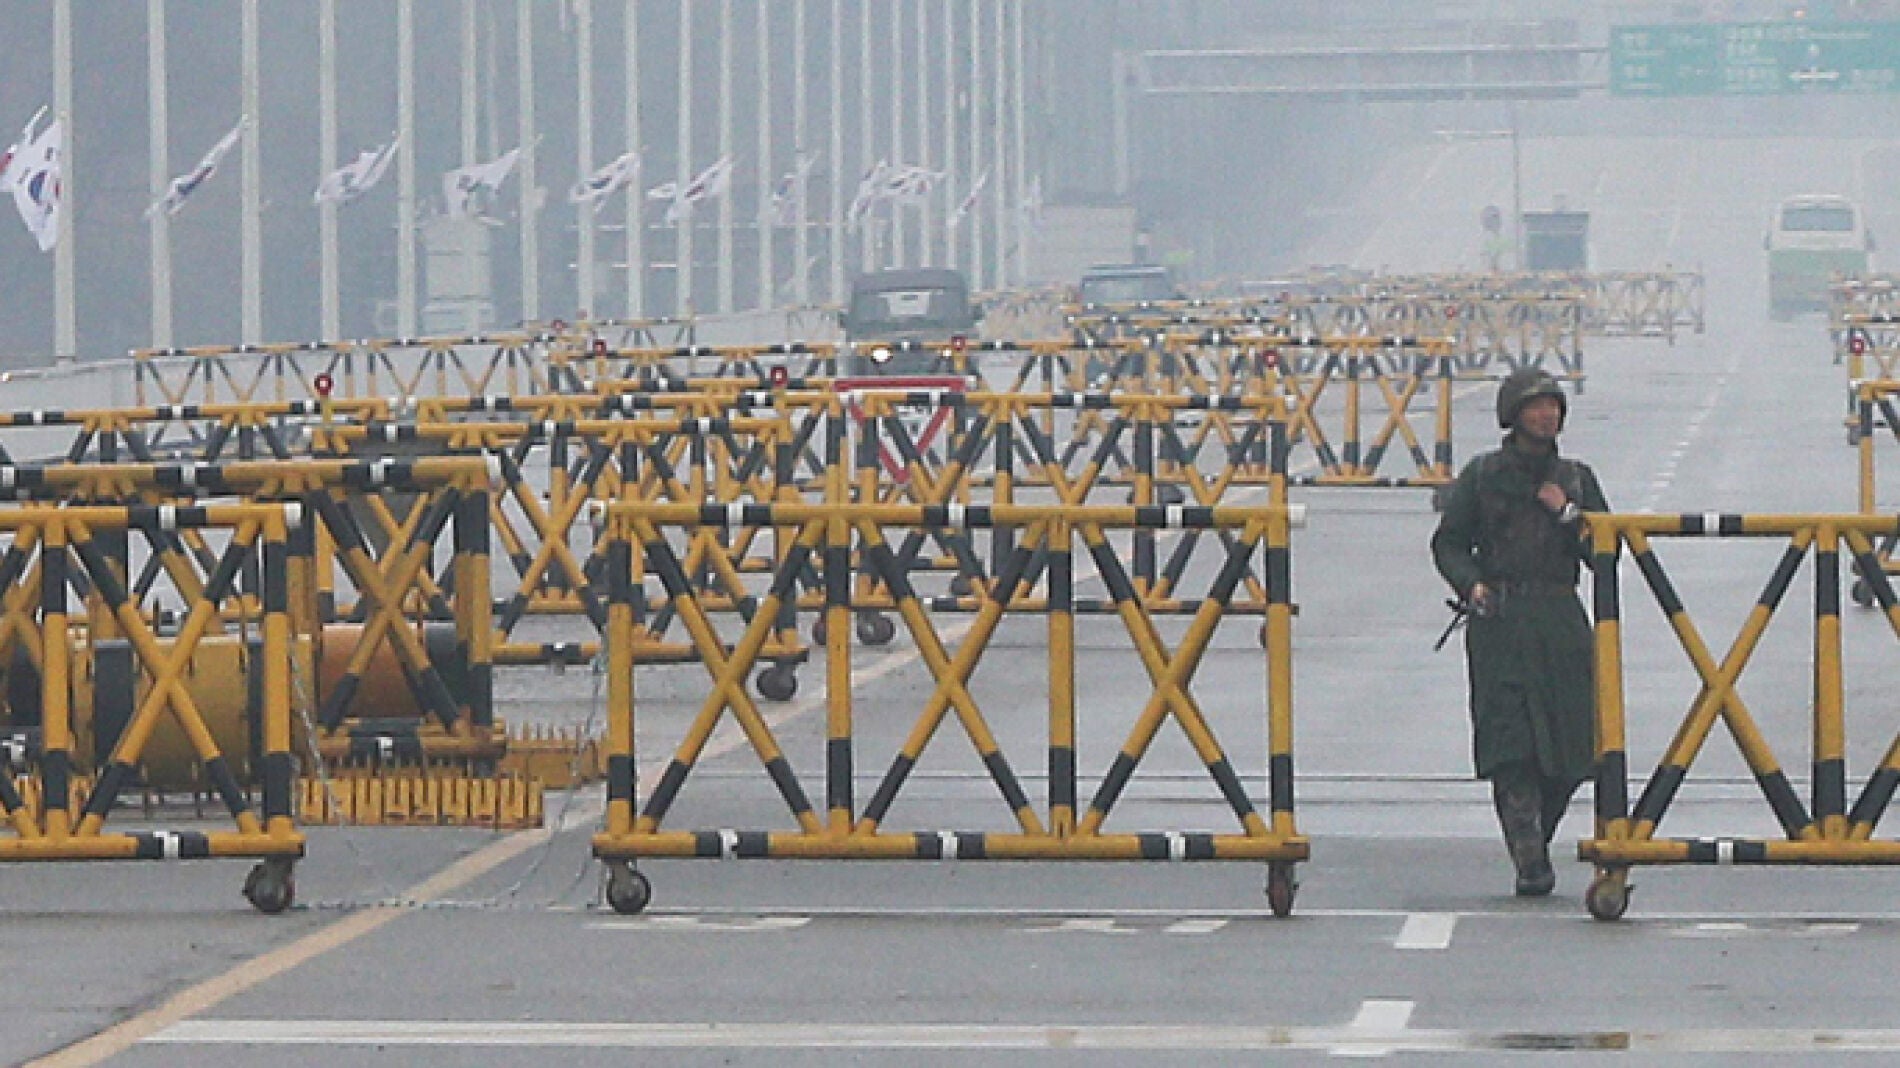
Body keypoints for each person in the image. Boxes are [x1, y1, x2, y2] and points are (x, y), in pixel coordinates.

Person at [1430, 368, 1609, 896]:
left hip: (1559, 619)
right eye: (1535, 407)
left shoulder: (1577, 478)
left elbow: (1608, 550)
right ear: (1514, 414)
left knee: (1571, 748)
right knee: (1512, 746)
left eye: (1553, 406)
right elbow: (1449, 543)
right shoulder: (1483, 476)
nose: (1546, 415)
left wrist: (1569, 514)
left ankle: (1536, 836)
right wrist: (1473, 585)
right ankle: (1528, 857)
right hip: (1501, 621)